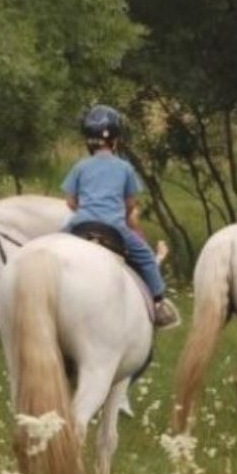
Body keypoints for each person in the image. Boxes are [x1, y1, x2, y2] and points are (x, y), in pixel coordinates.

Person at [61, 104, 180, 329]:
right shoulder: (125, 168)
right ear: (115, 140)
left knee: (49, 245)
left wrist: (85, 210)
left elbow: (69, 201)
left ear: (89, 141)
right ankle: (158, 303)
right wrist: (118, 213)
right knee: (145, 256)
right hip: (114, 229)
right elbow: (131, 203)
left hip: (80, 226)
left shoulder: (80, 166)